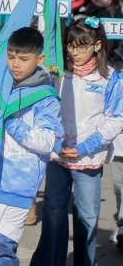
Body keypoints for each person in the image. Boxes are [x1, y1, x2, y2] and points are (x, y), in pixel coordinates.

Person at [30, 17, 123, 266]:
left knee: (87, 217)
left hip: (88, 157)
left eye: (82, 46)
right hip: (57, 153)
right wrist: (57, 144)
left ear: (98, 45)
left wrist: (84, 147)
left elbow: (116, 120)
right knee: (53, 212)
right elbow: (44, 109)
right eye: (71, 46)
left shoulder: (110, 77)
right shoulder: (56, 72)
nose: (75, 52)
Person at [0, 27, 62, 266]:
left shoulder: (46, 97)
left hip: (18, 187)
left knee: (1, 252)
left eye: (23, 59)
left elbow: (46, 142)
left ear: (39, 59)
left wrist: (9, 121)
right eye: (11, 57)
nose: (15, 64)